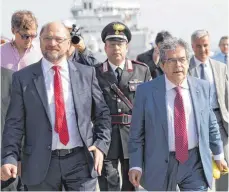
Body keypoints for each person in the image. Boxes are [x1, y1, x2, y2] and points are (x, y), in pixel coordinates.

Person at [1, 21, 111, 191]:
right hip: (40, 164)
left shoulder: (86, 74)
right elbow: (14, 123)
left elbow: (102, 114)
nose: (52, 43)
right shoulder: (23, 78)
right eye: (47, 38)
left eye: (58, 39)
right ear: (40, 41)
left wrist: (101, 145)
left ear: (68, 43)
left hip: (81, 162)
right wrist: (9, 157)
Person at [128, 37, 227, 191]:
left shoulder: (202, 88)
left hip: (194, 162)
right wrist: (135, 165)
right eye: (172, 60)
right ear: (162, 64)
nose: (178, 65)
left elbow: (211, 123)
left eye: (182, 59)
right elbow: (136, 133)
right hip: (160, 162)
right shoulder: (146, 92)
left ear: (188, 61)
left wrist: (219, 154)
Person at [95, 21, 151, 191]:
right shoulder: (95, 73)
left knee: (131, 184)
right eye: (112, 44)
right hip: (106, 137)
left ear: (127, 47)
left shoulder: (141, 71)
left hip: (132, 137)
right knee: (108, 182)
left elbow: (148, 107)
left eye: (120, 44)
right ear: (105, 48)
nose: (116, 48)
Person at [189, 29, 228, 191]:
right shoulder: (185, 68)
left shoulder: (220, 67)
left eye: (205, 45)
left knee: (224, 162)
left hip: (219, 119)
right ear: (192, 47)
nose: (202, 50)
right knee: (198, 164)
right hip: (195, 121)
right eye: (198, 46)